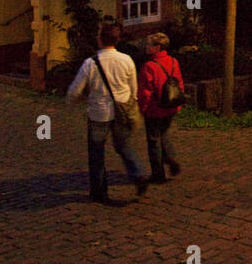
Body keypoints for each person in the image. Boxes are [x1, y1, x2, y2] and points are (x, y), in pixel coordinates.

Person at [67, 22, 148, 204]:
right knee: (124, 145)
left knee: (96, 153)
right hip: (122, 110)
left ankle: (99, 191)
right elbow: (133, 88)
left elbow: (75, 90)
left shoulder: (91, 63)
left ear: (100, 39)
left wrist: (71, 102)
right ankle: (137, 174)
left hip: (99, 113)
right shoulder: (126, 60)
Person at [137, 31, 184, 184]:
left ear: (157, 47)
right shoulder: (173, 61)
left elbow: (145, 92)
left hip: (154, 108)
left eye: (149, 44)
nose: (146, 47)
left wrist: (142, 109)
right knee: (163, 133)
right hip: (170, 106)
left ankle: (158, 174)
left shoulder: (149, 66)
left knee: (153, 140)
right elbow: (179, 82)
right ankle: (171, 158)